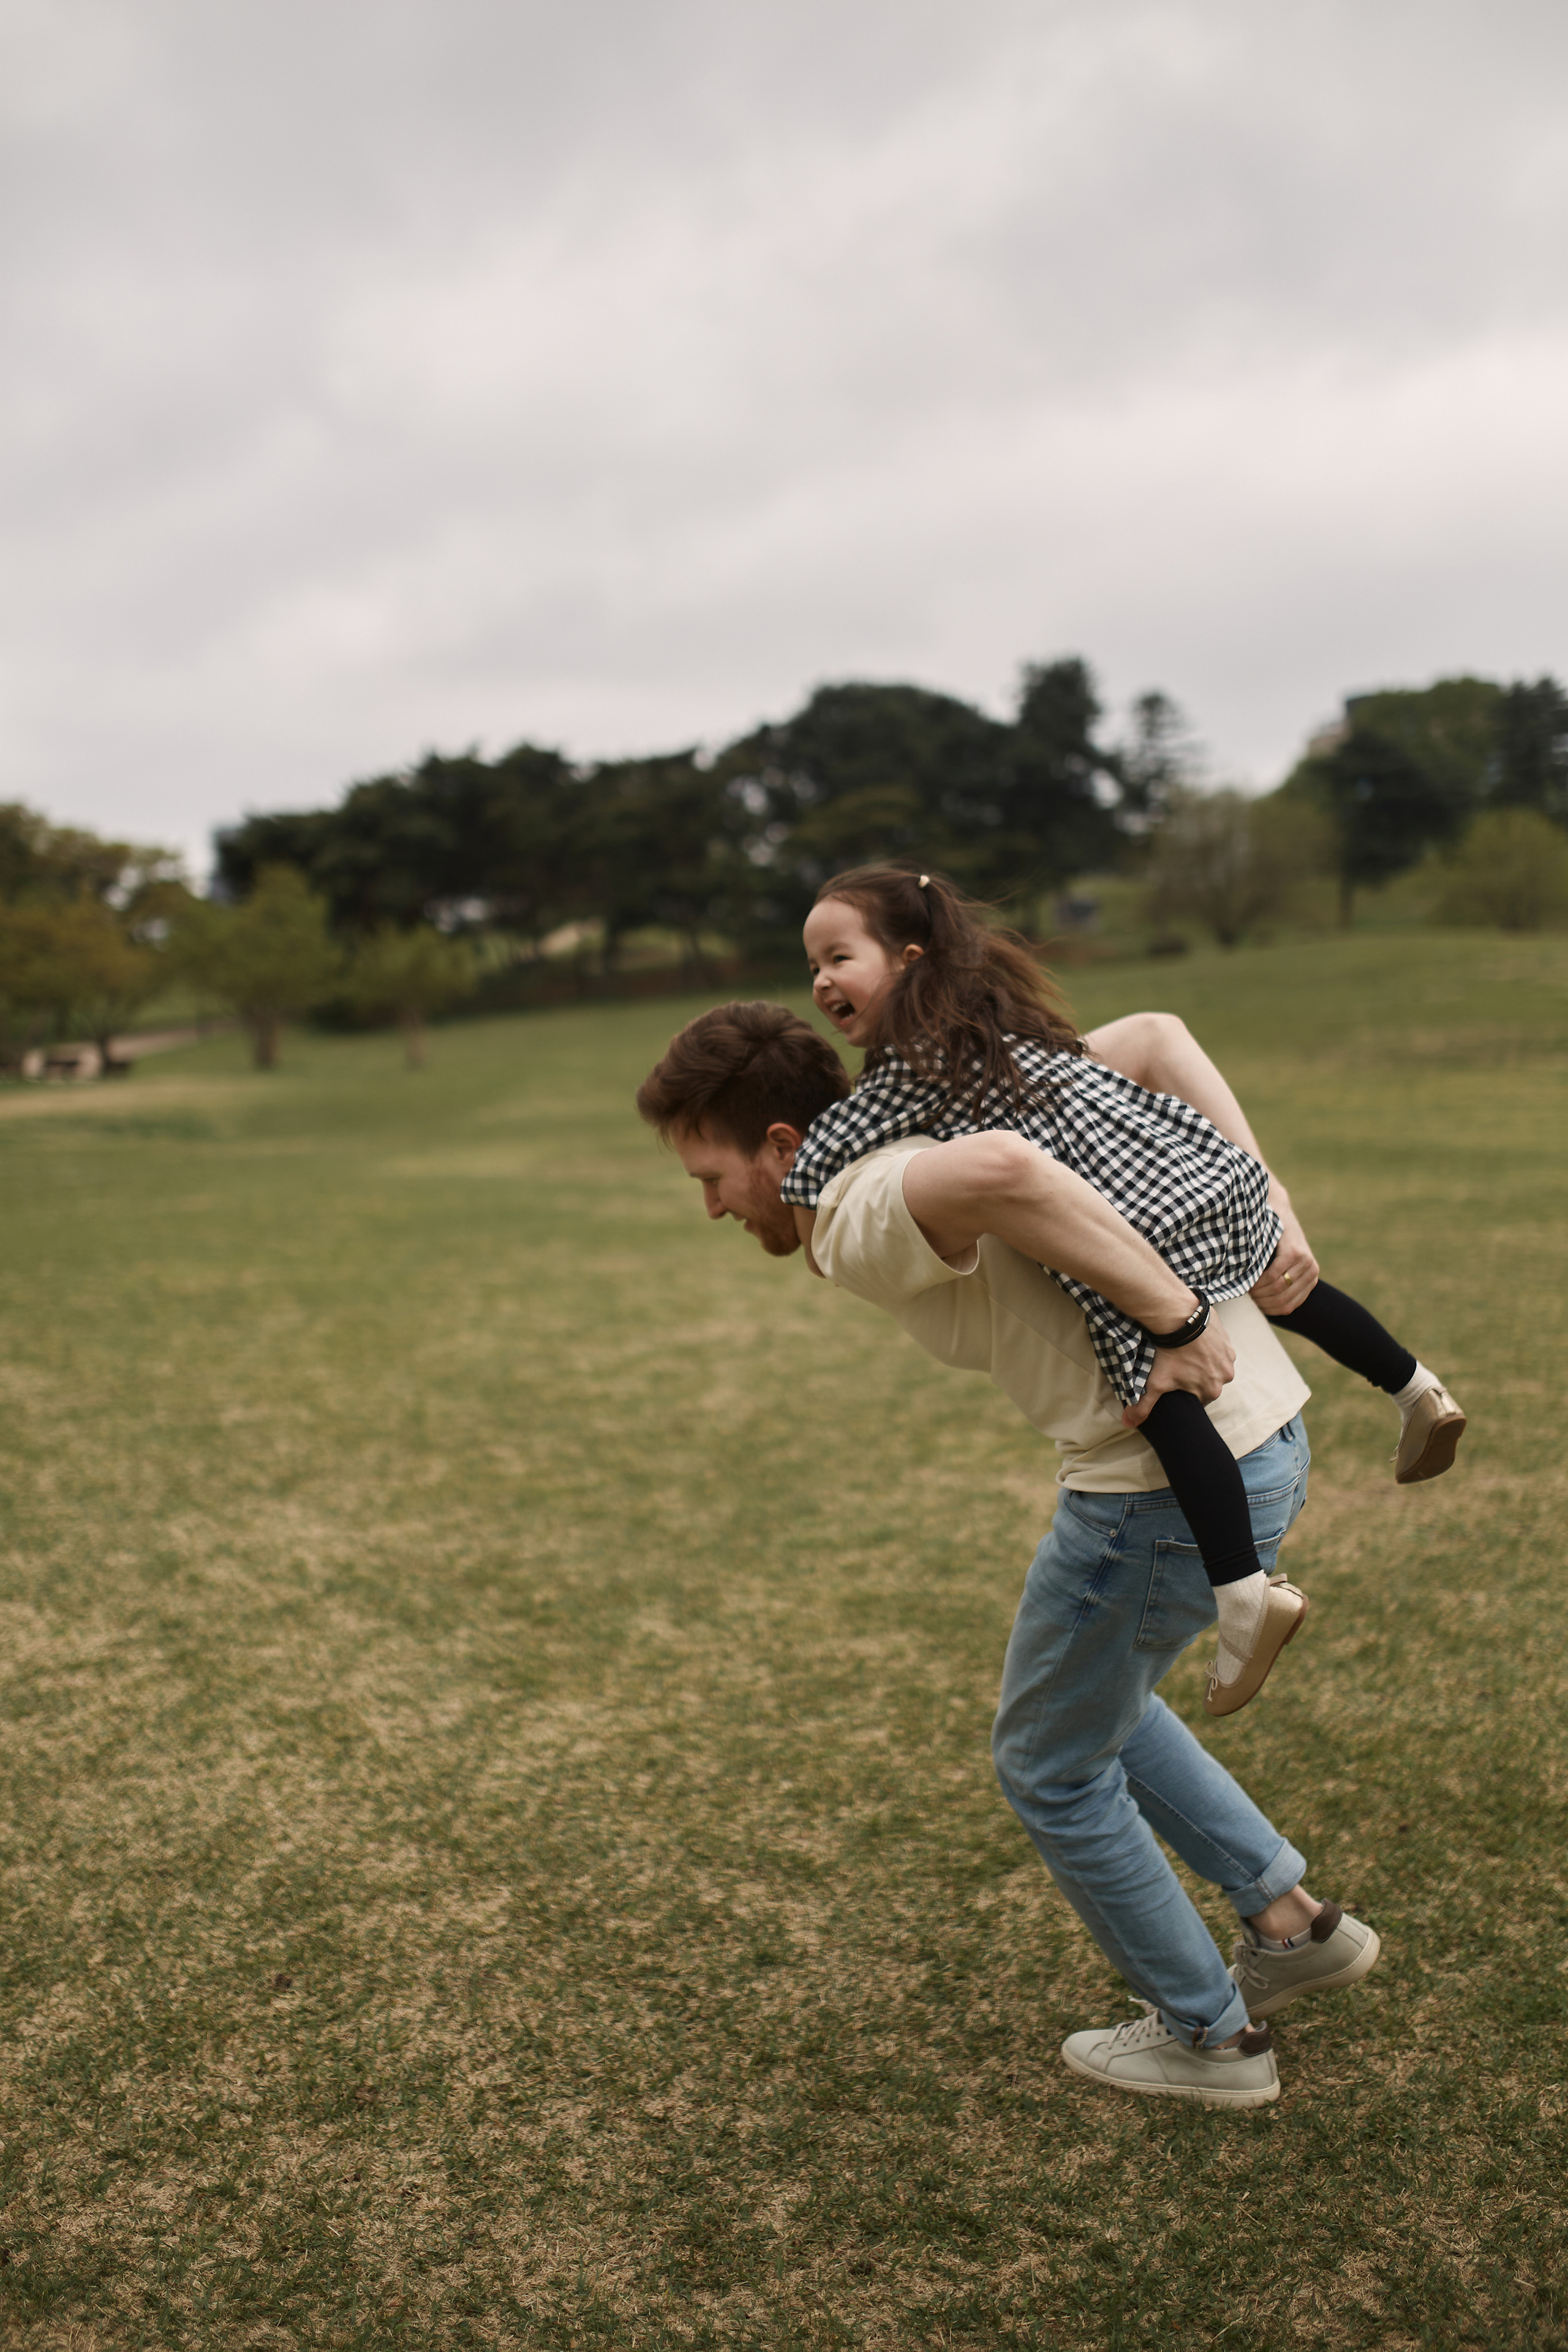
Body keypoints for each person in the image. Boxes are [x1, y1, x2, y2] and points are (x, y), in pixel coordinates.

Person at [635, 1001, 1381, 2109]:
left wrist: (1176, 1319)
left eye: (711, 1177)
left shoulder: (856, 1199)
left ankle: (1211, 2040)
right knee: (1095, 1702)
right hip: (1261, 1437)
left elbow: (1004, 1171)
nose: (709, 1208)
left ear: (782, 1146)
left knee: (1049, 1764)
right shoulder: (932, 1103)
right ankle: (1293, 1923)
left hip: (1157, 1492)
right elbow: (1153, 1038)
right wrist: (1265, 1198)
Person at [781, 865, 1465, 1716]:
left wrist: (801, 1196)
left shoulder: (910, 1073)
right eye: (812, 966)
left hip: (1128, 1226)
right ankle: (1417, 1391)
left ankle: (1246, 1594)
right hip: (1192, 1170)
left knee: (1155, 1392)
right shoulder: (1009, 1022)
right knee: (1292, 1291)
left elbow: (825, 1152)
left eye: (838, 958)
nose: (821, 983)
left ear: (908, 959)